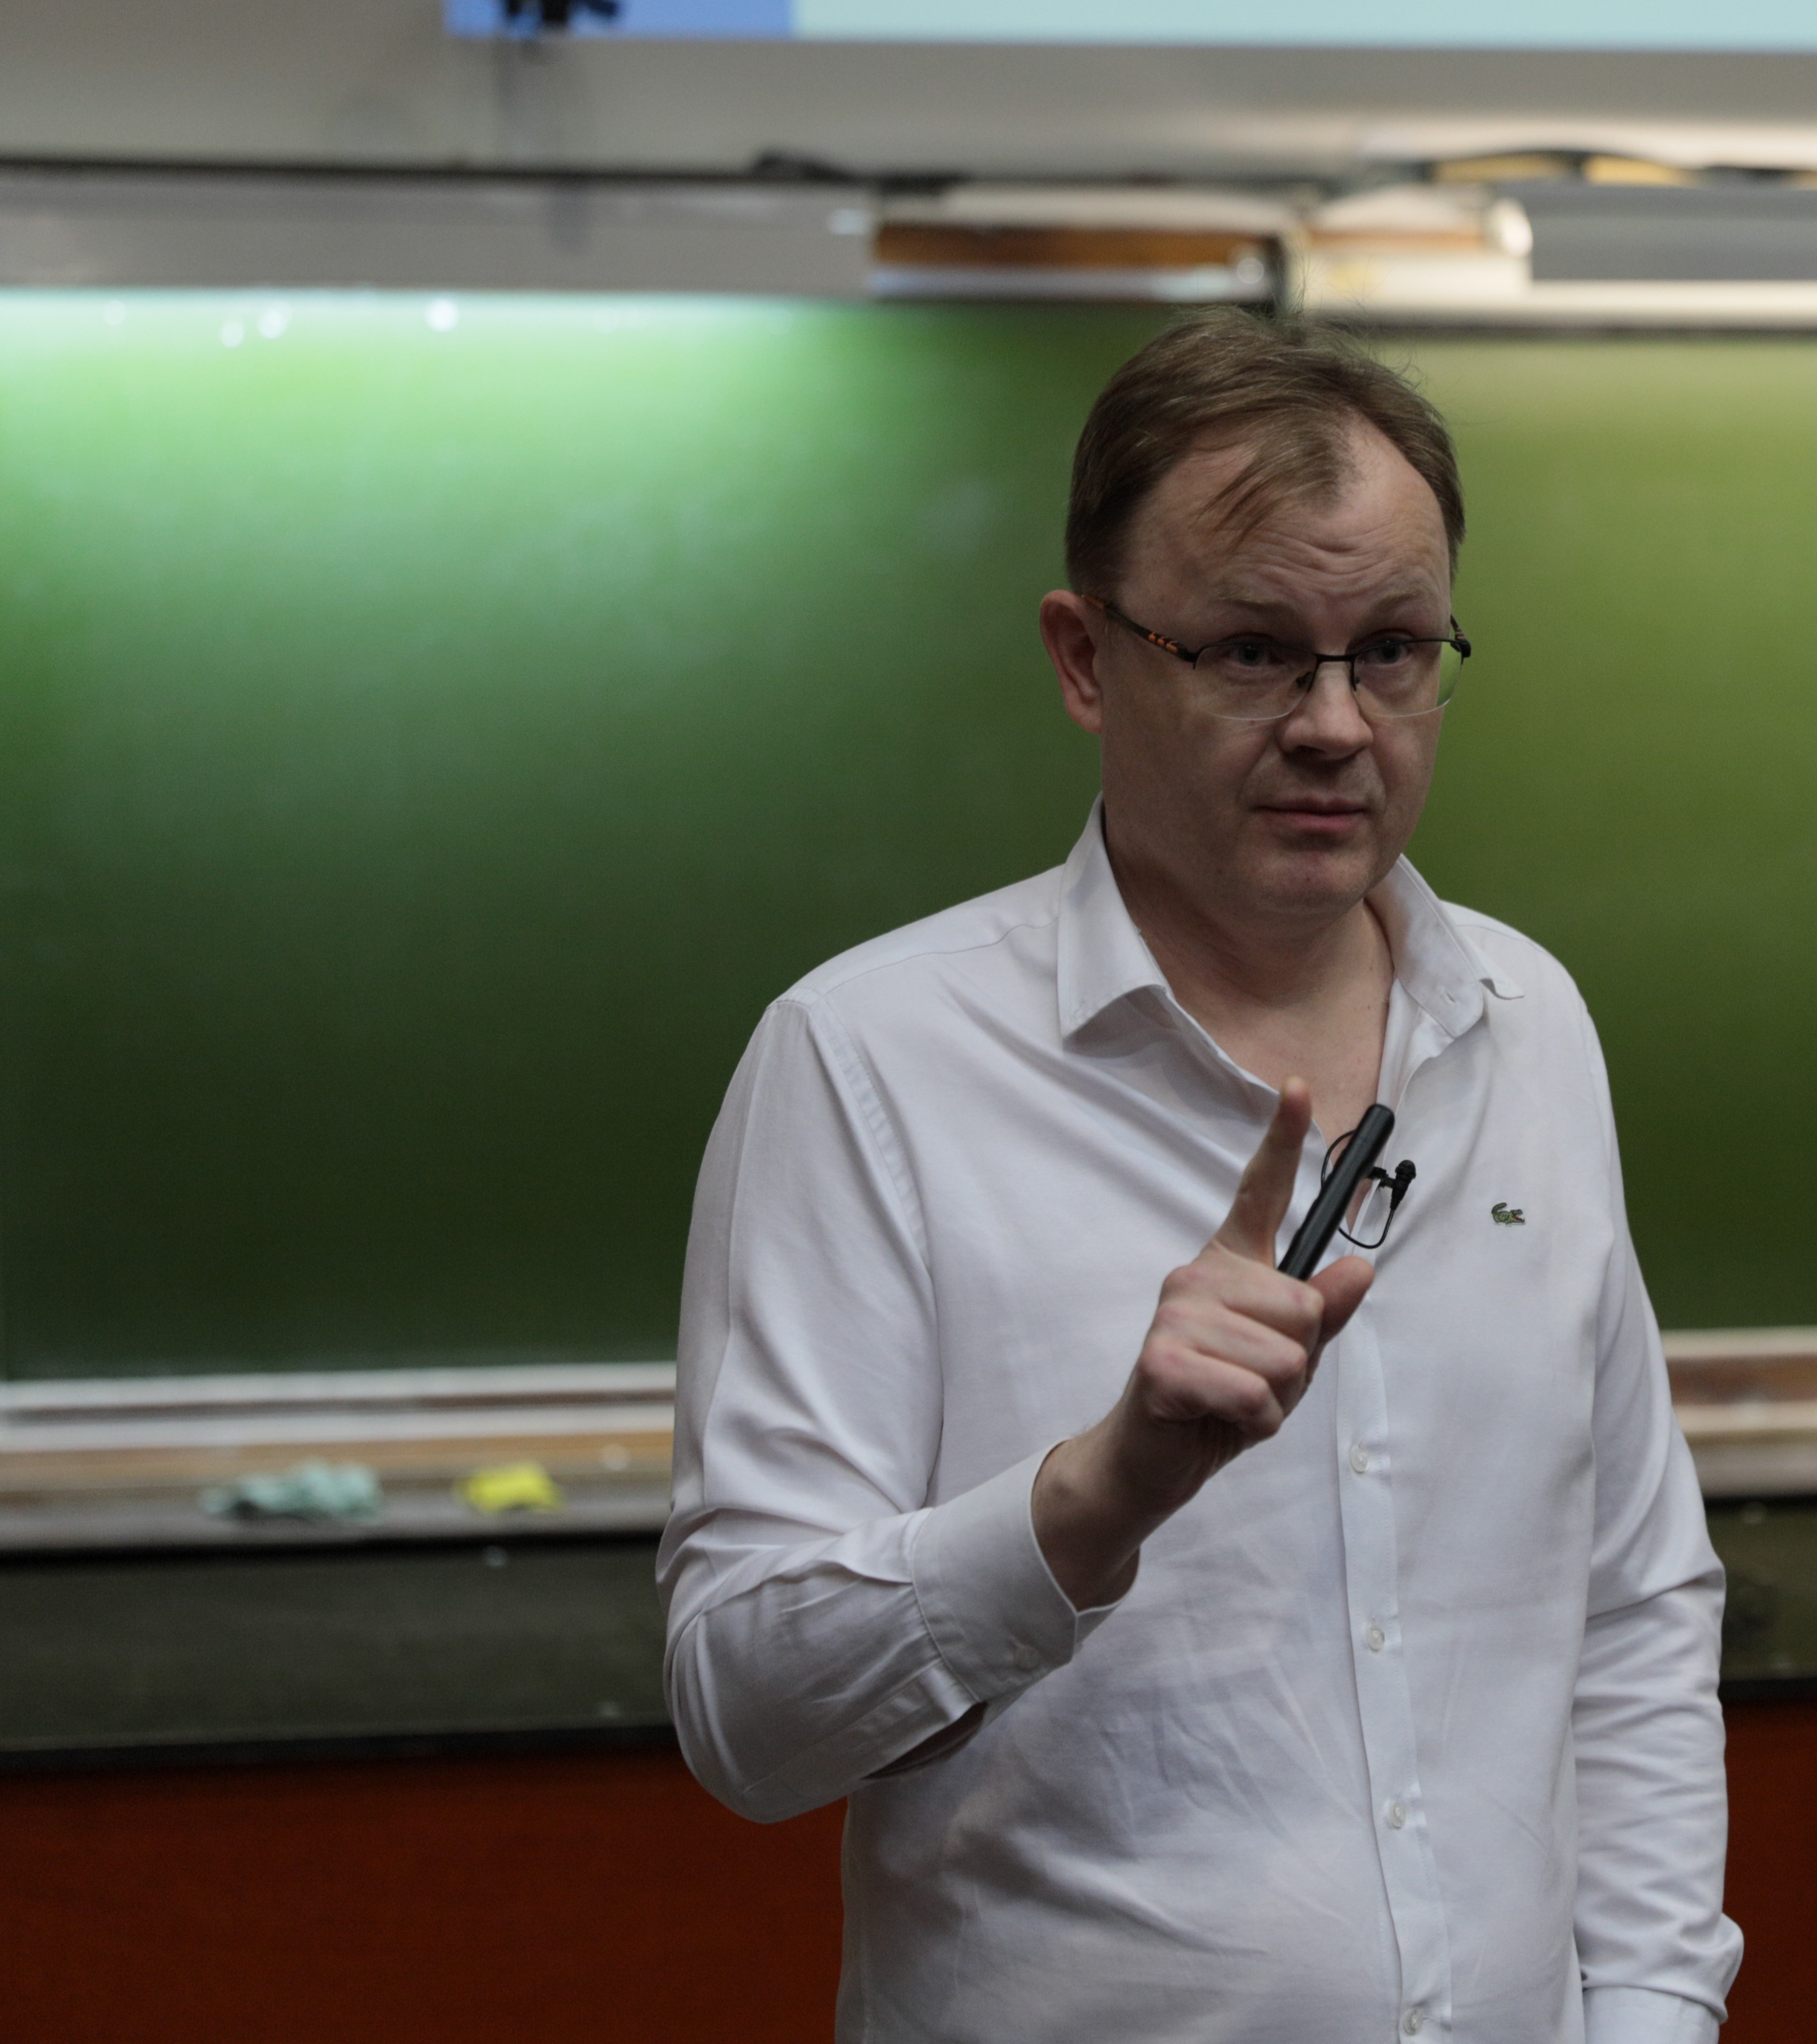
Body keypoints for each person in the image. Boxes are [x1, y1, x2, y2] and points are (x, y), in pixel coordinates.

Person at [660, 312, 1740, 2043]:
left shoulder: (1526, 1022)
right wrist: (1098, 1495)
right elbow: (746, 1718)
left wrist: (1658, 2014)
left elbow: (1631, 1606)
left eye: (1395, 652)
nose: (1337, 725)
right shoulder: (870, 1061)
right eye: (1253, 651)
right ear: (1086, 659)